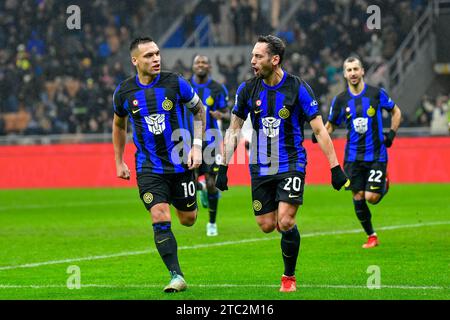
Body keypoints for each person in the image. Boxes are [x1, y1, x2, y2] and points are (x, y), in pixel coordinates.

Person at [215, 35, 349, 292]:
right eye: (253, 55)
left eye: (258, 56)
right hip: (260, 166)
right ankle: (286, 237)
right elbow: (233, 130)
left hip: (291, 163)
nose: (252, 61)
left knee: (285, 222)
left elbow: (320, 131)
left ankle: (289, 277)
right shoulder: (246, 90)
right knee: (267, 226)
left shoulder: (298, 88)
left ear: (274, 60)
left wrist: (335, 167)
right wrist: (223, 167)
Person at [112, 37, 206, 293]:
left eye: (157, 54)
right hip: (149, 168)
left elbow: (200, 111)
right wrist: (119, 160)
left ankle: (198, 191)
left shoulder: (175, 82)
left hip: (180, 165)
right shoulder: (124, 92)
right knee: (159, 215)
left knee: (188, 220)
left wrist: (197, 146)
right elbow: (119, 125)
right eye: (148, 56)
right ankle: (176, 275)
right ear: (135, 61)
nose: (156, 59)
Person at [314, 56, 402, 249]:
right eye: (349, 70)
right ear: (345, 74)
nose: (353, 73)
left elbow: (396, 111)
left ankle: (383, 183)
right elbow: (331, 125)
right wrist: (319, 134)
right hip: (353, 157)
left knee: (372, 197)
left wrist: (392, 134)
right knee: (358, 196)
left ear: (362, 71)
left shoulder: (376, 94)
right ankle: (371, 235)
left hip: (377, 154)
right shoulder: (340, 100)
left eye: (356, 69)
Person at [186, 55, 229, 236]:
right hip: (187, 141)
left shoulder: (217, 88)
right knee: (190, 182)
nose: (201, 65)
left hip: (211, 141)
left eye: (204, 62)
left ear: (209, 66)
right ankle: (200, 188)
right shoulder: (184, 87)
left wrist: (222, 115)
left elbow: (229, 114)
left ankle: (212, 223)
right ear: (193, 66)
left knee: (212, 183)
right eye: (197, 62)